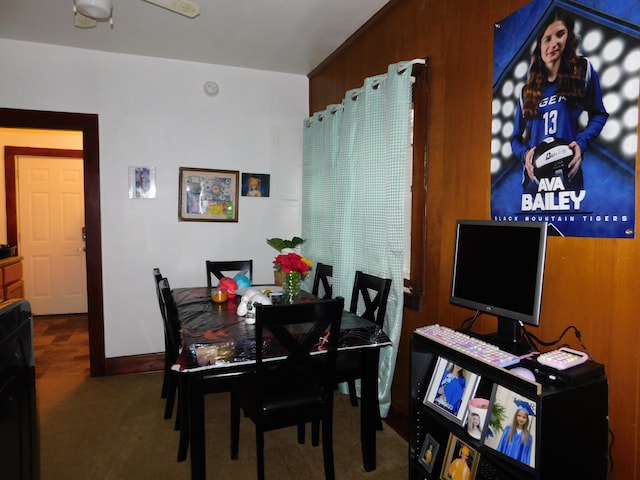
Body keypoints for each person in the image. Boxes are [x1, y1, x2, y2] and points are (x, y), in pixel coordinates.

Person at [510, 8, 608, 194]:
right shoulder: (527, 91)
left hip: (568, 173)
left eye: (560, 35)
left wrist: (581, 143)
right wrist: (525, 156)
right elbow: (515, 138)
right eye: (547, 38)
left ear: (568, 38)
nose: (554, 43)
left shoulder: (582, 71)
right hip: (534, 183)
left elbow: (599, 114)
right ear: (539, 46)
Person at [497, 399, 534, 465]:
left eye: (524, 417)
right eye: (519, 415)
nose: (521, 419)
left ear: (527, 420)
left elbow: (526, 456)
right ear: (515, 416)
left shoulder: (528, 437)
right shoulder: (508, 430)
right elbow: (501, 446)